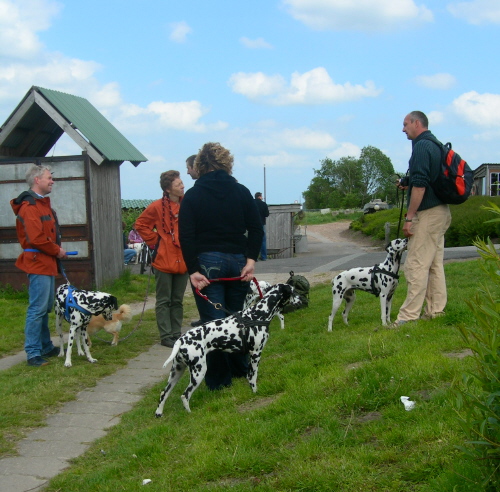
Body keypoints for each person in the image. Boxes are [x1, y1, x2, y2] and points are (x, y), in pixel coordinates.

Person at [179, 142, 263, 390]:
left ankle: (219, 382)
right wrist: (250, 261)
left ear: (200, 165)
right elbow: (256, 228)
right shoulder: (242, 191)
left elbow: (186, 236)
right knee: (236, 319)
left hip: (208, 262)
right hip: (238, 260)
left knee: (213, 325)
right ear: (227, 163)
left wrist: (193, 270)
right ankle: (240, 369)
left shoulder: (193, 195)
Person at [393, 111, 452, 327]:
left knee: (416, 264)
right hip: (441, 212)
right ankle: (436, 311)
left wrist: (409, 218)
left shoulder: (421, 147)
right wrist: (408, 181)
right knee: (434, 264)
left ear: (417, 123)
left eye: (405, 124)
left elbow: (420, 186)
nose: (403, 129)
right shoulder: (436, 145)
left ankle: (408, 317)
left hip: (427, 214)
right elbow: (428, 177)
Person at [10, 165, 67, 367]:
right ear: (37, 180)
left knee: (44, 307)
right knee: (37, 309)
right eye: (49, 178)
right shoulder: (30, 207)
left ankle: (45, 346)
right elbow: (36, 238)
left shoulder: (41, 204)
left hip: (46, 262)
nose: (52, 181)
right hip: (38, 262)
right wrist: (57, 250)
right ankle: (33, 352)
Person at [135, 170, 188, 347]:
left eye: (182, 183)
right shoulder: (157, 207)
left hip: (183, 261)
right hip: (164, 260)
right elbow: (140, 224)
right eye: (178, 184)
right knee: (164, 300)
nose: (182, 186)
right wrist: (157, 241)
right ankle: (166, 336)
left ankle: (176, 333)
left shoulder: (187, 204)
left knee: (177, 300)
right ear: (168, 189)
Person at [254, 192, 270, 261]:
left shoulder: (252, 203)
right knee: (263, 240)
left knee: (254, 240)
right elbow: (267, 214)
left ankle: (254, 257)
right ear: (260, 197)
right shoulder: (263, 204)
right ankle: (263, 257)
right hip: (262, 223)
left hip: (253, 224)